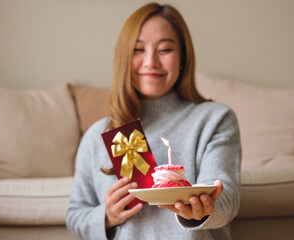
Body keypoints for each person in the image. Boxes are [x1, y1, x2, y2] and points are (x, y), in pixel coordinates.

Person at [66, 3, 241, 240]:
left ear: (183, 57)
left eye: (165, 49)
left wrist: (204, 209)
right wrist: (107, 216)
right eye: (138, 50)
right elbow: (75, 216)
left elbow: (226, 198)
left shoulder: (214, 119)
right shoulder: (99, 135)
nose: (151, 61)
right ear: (124, 59)